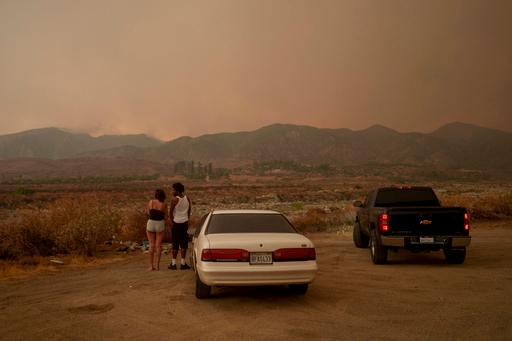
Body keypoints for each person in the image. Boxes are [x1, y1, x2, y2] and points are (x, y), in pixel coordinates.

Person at [168, 182, 191, 270]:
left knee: (175, 243)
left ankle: (173, 263)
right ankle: (183, 263)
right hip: (185, 223)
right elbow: (189, 210)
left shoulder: (174, 200)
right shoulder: (187, 198)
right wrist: (187, 219)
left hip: (176, 223)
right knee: (184, 243)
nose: (172, 191)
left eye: (173, 189)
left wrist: (172, 221)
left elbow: (170, 212)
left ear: (177, 190)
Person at [146, 189, 167, 271]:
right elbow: (166, 216)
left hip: (151, 223)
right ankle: (157, 266)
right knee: (158, 245)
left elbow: (148, 213)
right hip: (160, 224)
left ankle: (151, 266)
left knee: (151, 245)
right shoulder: (164, 204)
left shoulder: (151, 202)